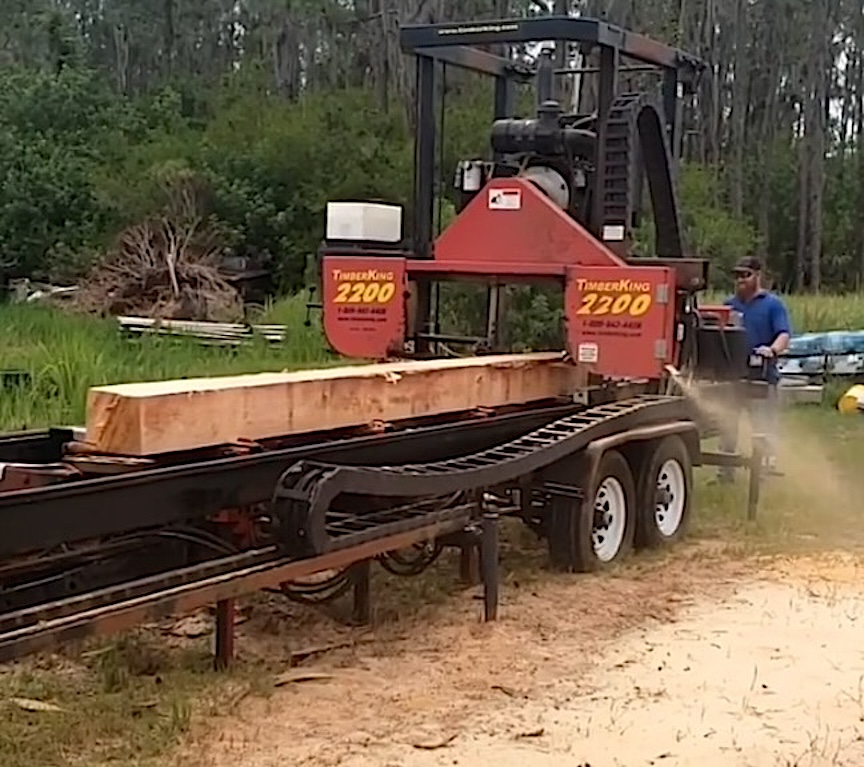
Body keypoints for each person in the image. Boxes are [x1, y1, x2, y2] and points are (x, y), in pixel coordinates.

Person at [717, 255, 791, 481]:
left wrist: (772, 350)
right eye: (737, 275)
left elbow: (783, 334)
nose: (740, 280)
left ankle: (764, 470)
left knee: (762, 426)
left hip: (762, 376)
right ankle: (725, 471)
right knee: (727, 424)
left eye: (745, 275)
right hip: (733, 377)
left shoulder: (773, 304)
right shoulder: (729, 306)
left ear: (758, 276)